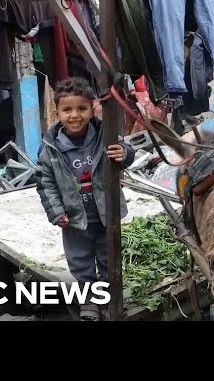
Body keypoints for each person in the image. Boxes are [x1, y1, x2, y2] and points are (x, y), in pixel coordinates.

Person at [36, 77, 135, 321]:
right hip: (74, 218)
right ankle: (89, 298)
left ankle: (110, 294)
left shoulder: (105, 135)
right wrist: (56, 212)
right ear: (57, 112)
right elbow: (45, 184)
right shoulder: (50, 148)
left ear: (92, 109)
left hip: (105, 213)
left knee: (108, 256)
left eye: (81, 108)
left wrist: (125, 154)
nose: (74, 115)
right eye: (67, 109)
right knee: (80, 261)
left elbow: (126, 151)